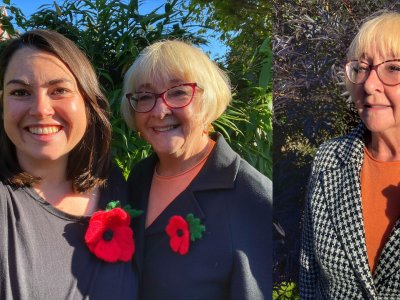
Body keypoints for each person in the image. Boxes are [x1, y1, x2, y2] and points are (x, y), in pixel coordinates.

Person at [120, 40, 272, 299]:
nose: (160, 111)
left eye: (178, 92)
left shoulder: (251, 196)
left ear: (207, 100)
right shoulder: (139, 178)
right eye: (145, 96)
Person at [0, 29, 138, 299]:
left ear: (88, 102)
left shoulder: (116, 186)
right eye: (20, 92)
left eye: (59, 90)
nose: (40, 109)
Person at [300, 11, 400, 299]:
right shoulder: (328, 159)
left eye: (393, 68)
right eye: (361, 68)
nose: (369, 85)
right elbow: (310, 273)